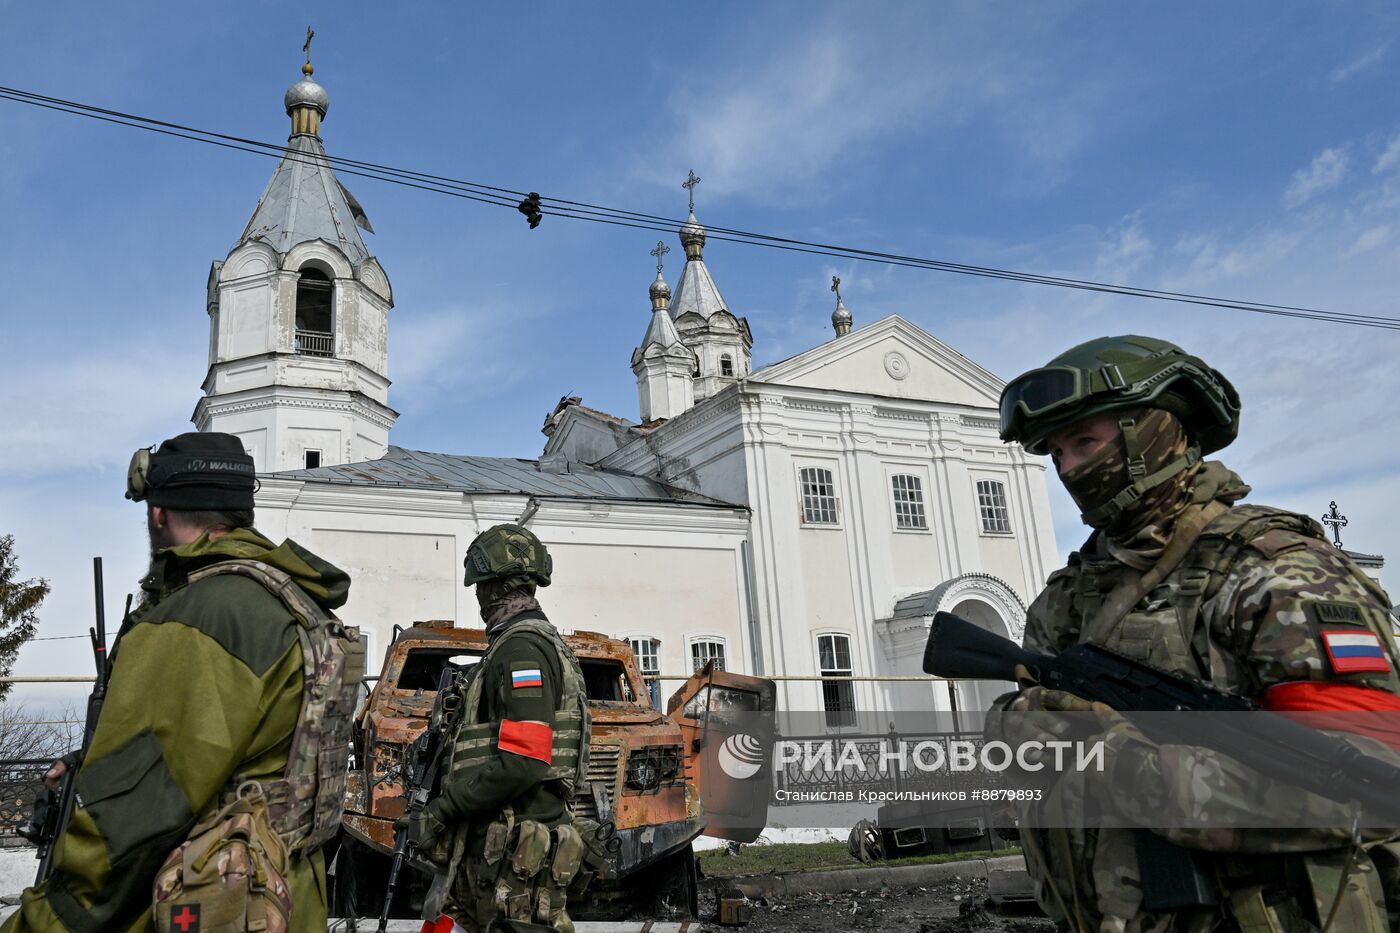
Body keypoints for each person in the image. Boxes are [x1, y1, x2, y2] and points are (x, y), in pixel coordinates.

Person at [996, 335, 1400, 932]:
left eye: (1085, 441)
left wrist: (1128, 767)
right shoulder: (1066, 601)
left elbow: (1371, 785)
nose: (1069, 469)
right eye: (1055, 453)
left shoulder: (1281, 575)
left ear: (1155, 432)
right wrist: (1014, 726)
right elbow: (1034, 749)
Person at [3, 432, 361, 933]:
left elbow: (128, 828)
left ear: (158, 513)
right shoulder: (296, 604)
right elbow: (246, 755)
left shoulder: (201, 617)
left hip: (197, 906)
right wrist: (94, 763)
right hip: (278, 899)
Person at [406, 524, 591, 933]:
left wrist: (443, 809)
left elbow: (524, 761)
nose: (478, 600)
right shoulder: (523, 645)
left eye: (480, 589)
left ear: (493, 589)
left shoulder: (521, 650)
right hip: (498, 846)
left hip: (512, 853)